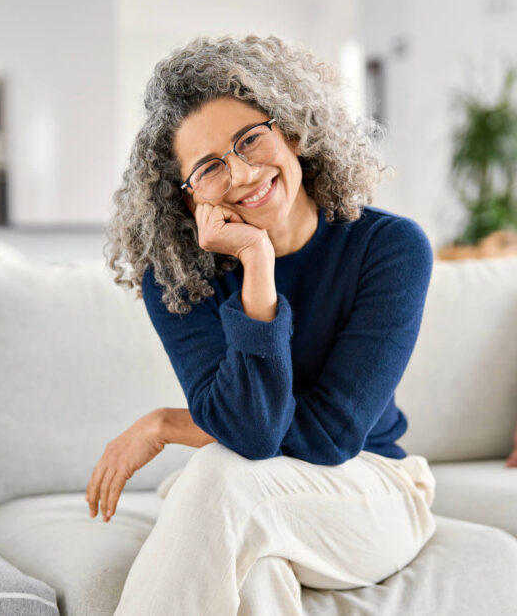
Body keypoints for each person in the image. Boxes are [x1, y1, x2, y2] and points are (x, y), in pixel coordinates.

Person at [90, 34, 437, 615]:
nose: (244, 173)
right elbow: (250, 434)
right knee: (254, 572)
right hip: (253, 490)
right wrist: (255, 264)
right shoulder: (176, 279)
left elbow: (328, 437)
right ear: (187, 199)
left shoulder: (390, 248)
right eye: (209, 167)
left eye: (250, 139)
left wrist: (166, 424)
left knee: (218, 477)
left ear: (293, 133)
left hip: (370, 486)